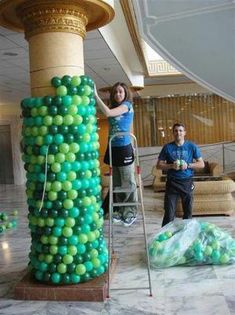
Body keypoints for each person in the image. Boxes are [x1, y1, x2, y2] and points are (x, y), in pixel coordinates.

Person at [95, 82, 137, 227]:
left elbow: (107, 113)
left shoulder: (127, 106)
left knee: (128, 181)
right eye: (115, 92)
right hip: (113, 146)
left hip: (124, 147)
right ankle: (119, 210)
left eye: (120, 92)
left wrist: (95, 95)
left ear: (125, 93)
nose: (118, 94)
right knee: (117, 182)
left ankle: (130, 211)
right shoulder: (115, 107)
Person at [156, 123, 204, 226]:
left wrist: (188, 165)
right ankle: (166, 238)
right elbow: (159, 165)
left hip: (187, 182)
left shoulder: (192, 146)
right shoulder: (167, 147)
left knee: (188, 213)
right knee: (169, 213)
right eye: (176, 130)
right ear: (173, 133)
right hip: (172, 183)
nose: (178, 132)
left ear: (184, 133)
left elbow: (201, 164)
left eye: (181, 130)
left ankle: (185, 236)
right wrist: (171, 166)